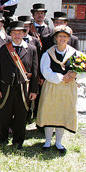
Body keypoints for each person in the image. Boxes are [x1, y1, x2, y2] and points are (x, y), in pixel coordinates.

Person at [36, 25, 86, 154]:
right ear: (56, 38)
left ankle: (58, 142)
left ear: (68, 38)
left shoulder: (76, 54)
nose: (62, 38)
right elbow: (45, 70)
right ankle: (47, 141)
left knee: (62, 114)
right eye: (60, 36)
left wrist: (74, 75)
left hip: (68, 89)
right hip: (52, 87)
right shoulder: (48, 53)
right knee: (49, 112)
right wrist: (61, 78)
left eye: (65, 36)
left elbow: (81, 69)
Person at [0, 21, 38, 150]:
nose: (17, 35)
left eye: (19, 33)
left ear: (24, 33)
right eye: (14, 33)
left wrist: (34, 90)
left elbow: (35, 72)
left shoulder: (32, 49)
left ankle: (18, 141)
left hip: (23, 89)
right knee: (4, 115)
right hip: (6, 87)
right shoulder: (2, 49)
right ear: (10, 34)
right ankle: (2, 138)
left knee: (21, 116)